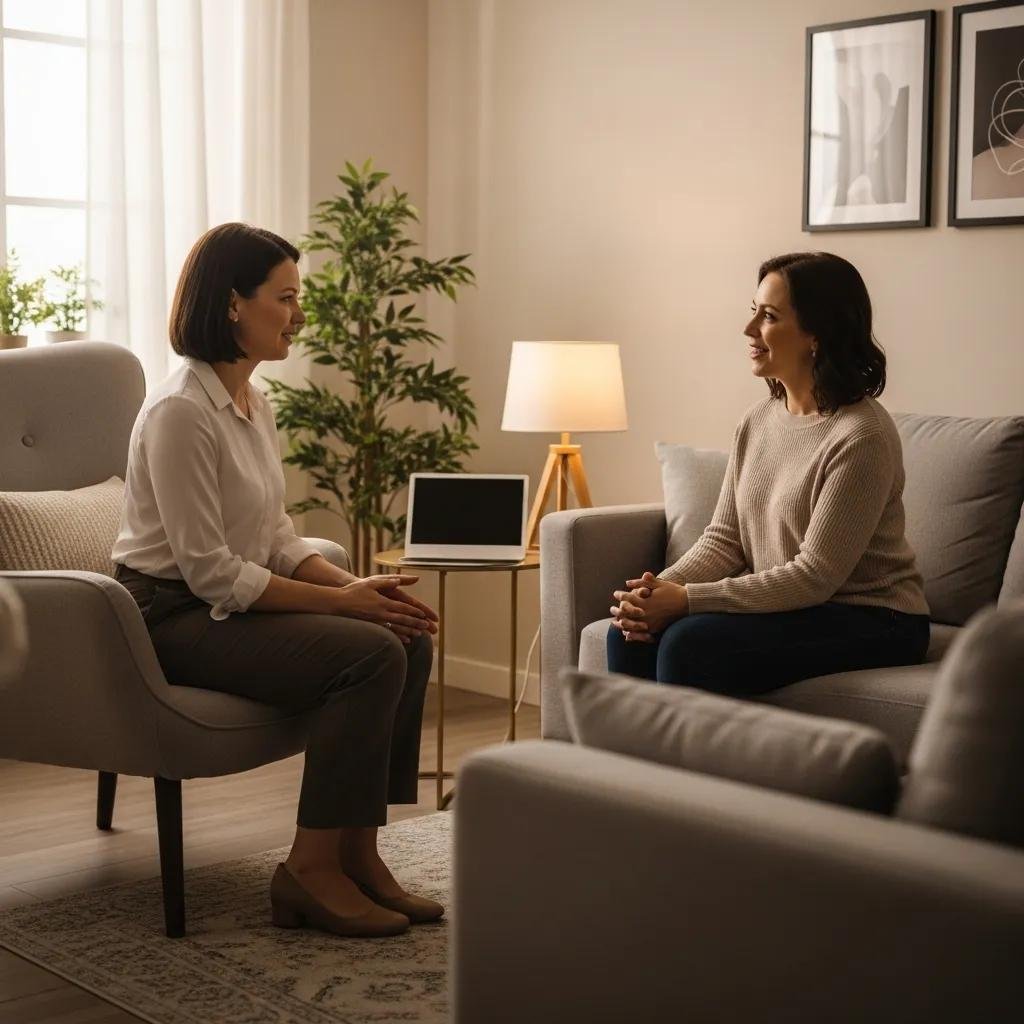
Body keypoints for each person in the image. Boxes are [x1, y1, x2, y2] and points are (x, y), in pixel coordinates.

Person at [112, 223, 442, 938]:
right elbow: (210, 573)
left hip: (218, 605)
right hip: (166, 618)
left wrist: (362, 591)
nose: (299, 314)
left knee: (404, 637)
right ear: (234, 304)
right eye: (285, 297)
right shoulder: (180, 413)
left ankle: (358, 851)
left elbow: (275, 539)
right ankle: (308, 870)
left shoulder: (252, 405)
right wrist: (341, 603)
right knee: (370, 652)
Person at [607, 251, 930, 693]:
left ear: (817, 334)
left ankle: (690, 763)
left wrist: (686, 601)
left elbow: (814, 576)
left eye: (769, 316)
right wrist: (654, 593)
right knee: (630, 633)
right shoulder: (758, 420)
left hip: (876, 618)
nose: (749, 329)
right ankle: (634, 763)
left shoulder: (861, 435)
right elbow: (725, 540)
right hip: (803, 607)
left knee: (689, 644)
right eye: (753, 311)